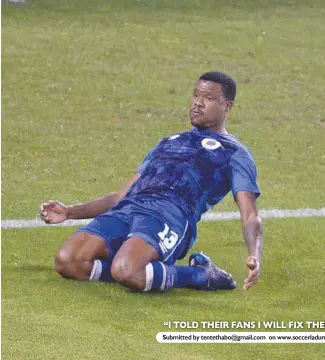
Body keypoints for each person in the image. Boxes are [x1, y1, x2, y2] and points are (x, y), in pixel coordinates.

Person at [38, 72, 263, 293]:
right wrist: (69, 212)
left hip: (169, 216)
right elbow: (121, 196)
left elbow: (250, 214)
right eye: (196, 95)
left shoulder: (235, 153)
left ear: (227, 106)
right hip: (129, 208)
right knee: (68, 261)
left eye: (209, 98)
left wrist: (255, 254)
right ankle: (138, 268)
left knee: (127, 270)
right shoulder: (168, 142)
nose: (197, 103)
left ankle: (203, 275)